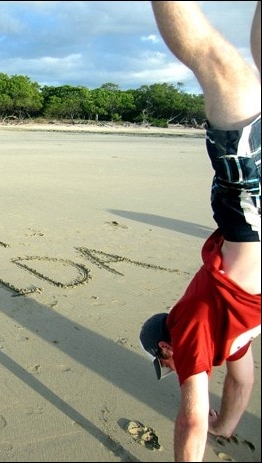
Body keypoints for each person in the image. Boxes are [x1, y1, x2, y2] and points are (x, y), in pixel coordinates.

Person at [139, 1, 261, 461]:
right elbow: (239, 382)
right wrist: (222, 424)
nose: (172, 367)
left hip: (251, 220)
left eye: (164, 361)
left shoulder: (195, 333)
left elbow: (193, 418)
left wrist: (216, 426)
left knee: (219, 65)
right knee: (220, 71)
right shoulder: (217, 336)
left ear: (166, 346)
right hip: (246, 224)